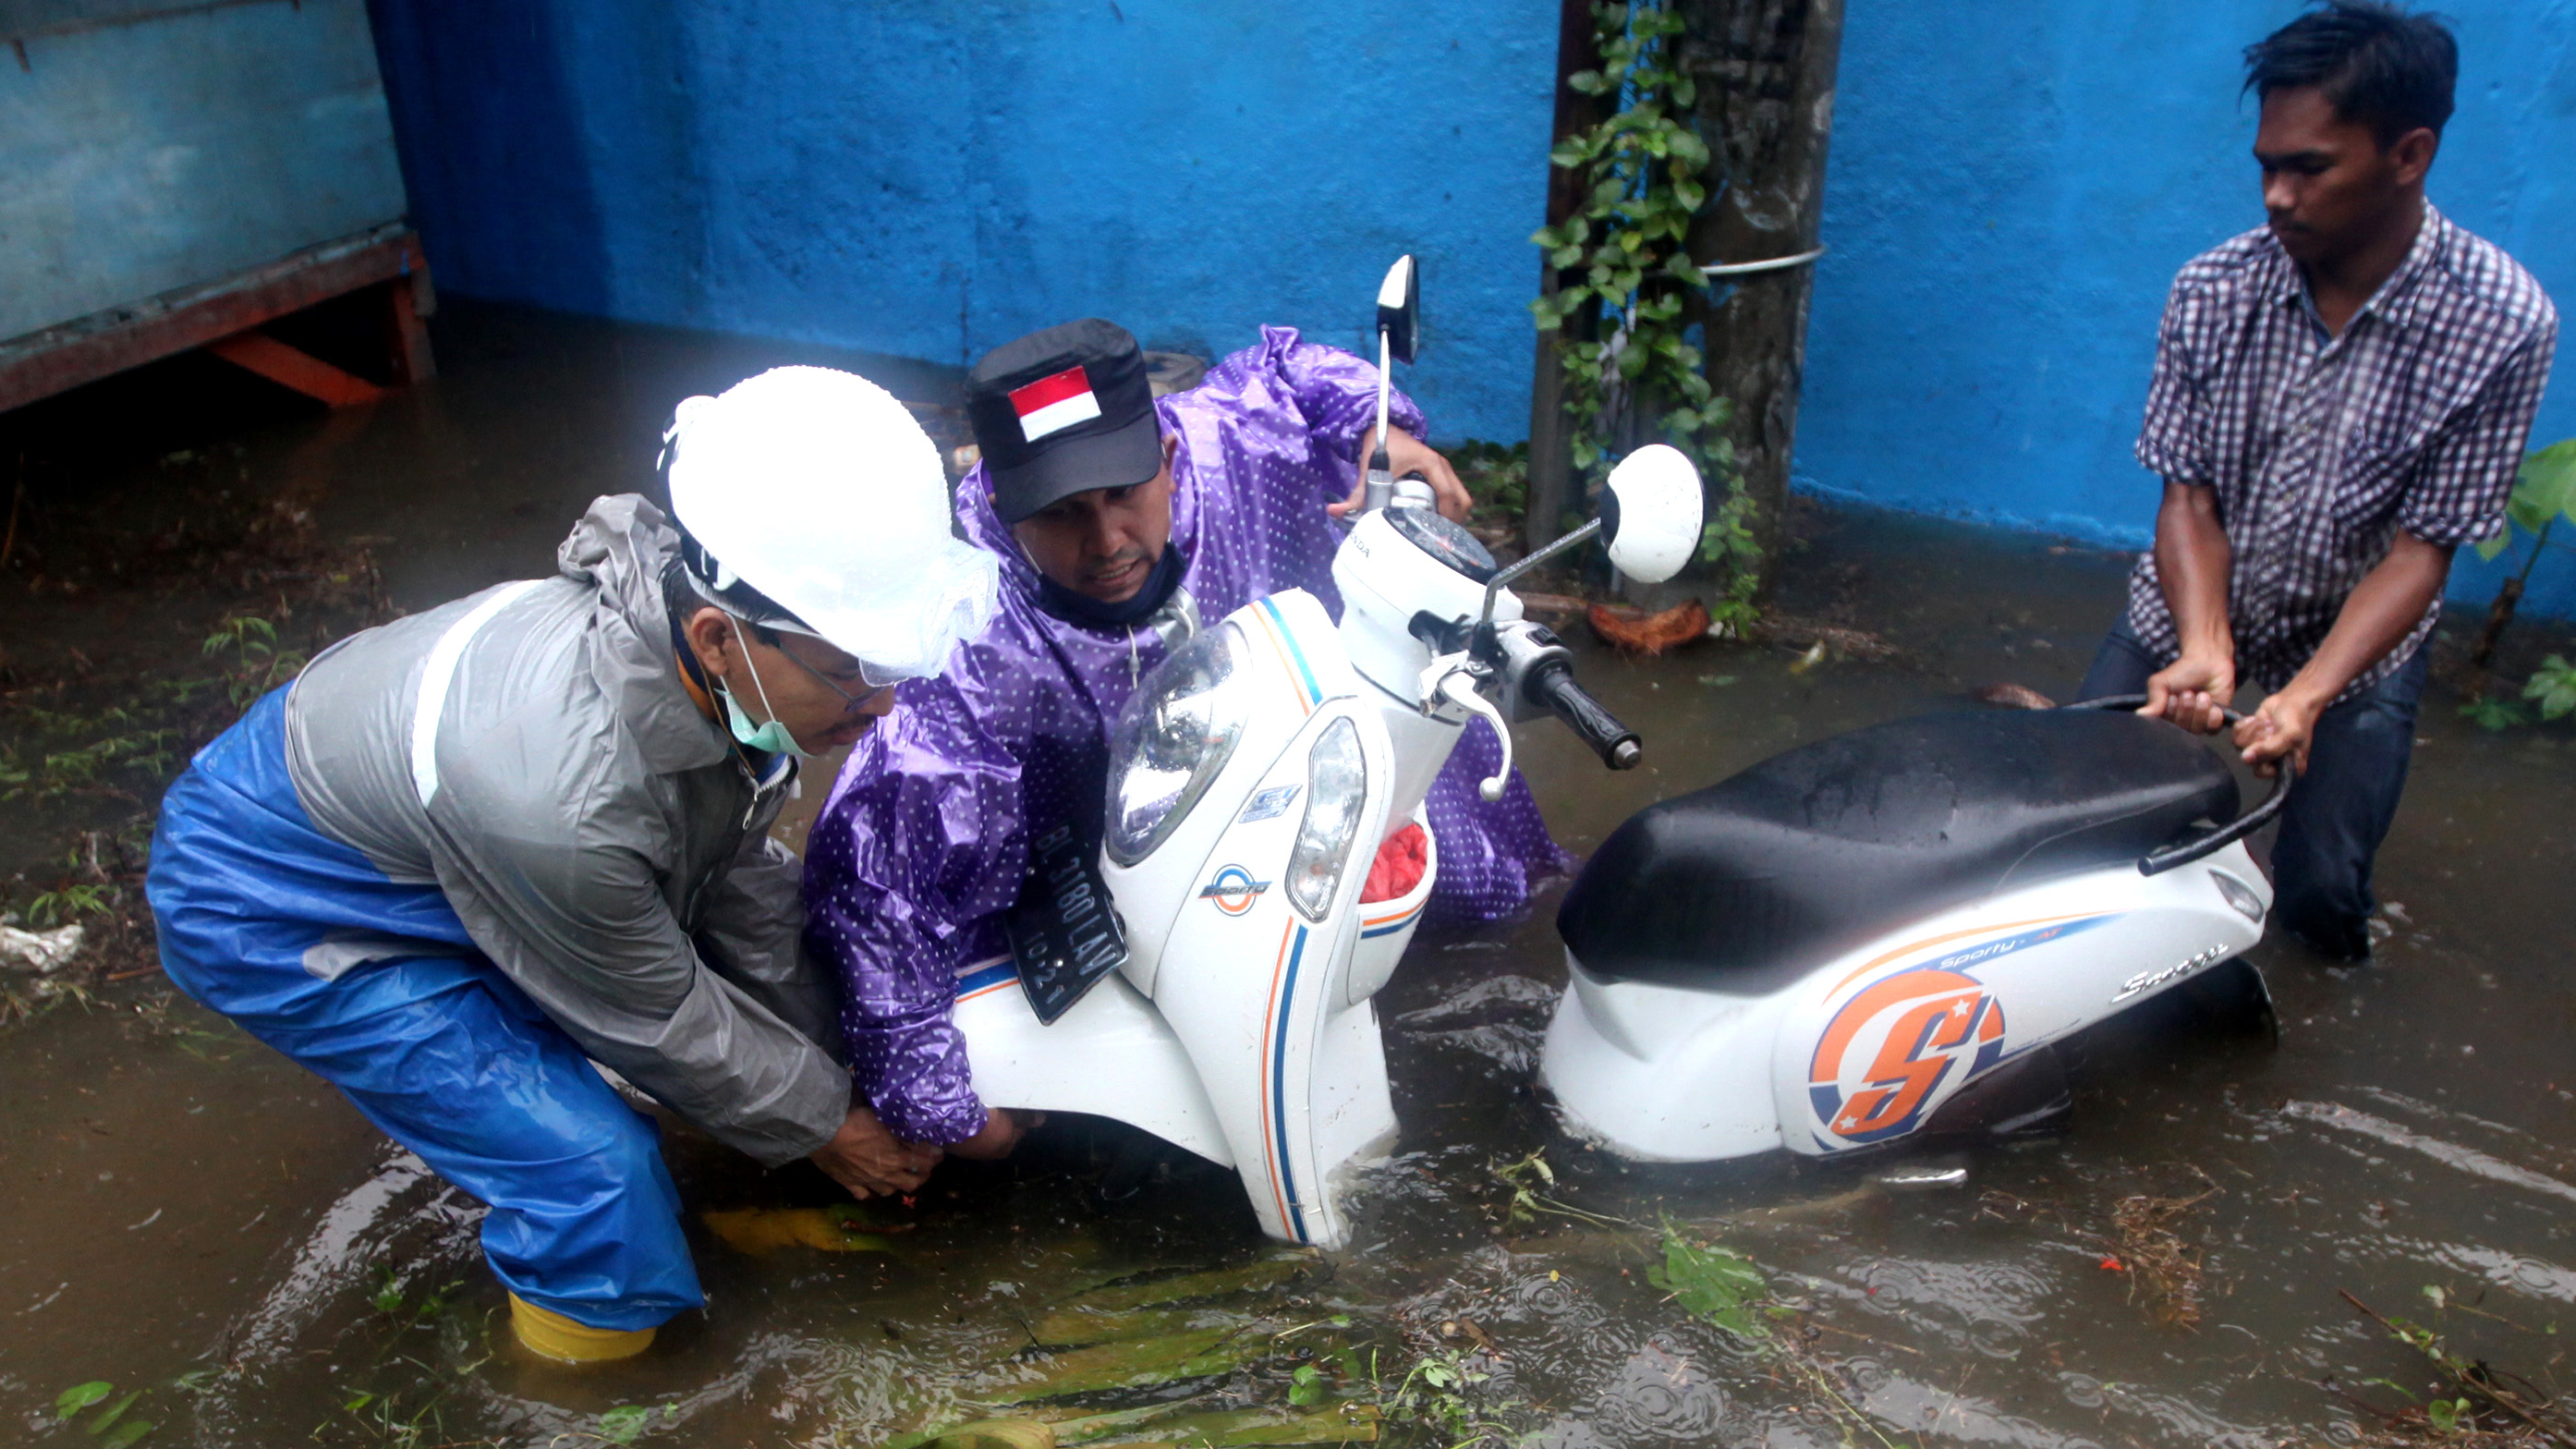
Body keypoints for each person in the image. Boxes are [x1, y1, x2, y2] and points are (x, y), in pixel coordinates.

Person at [145, 368, 999, 1364]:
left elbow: (738, 890)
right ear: (720, 639)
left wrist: (856, 1077)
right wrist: (826, 1126)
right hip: (275, 896)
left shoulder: (710, 660)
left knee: (745, 988)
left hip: (439, 820)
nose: (885, 703)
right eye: (856, 668)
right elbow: (657, 1015)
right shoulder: (569, 801)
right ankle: (581, 1418)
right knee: (589, 1170)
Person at [804, 318, 1570, 1159]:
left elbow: (1285, 367)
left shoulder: (1231, 445)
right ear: (1000, 507)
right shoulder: (961, 647)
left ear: (1170, 457)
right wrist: (945, 1111)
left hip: (1307, 788)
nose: (1106, 544)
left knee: (1487, 907)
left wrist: (1377, 429)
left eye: (1125, 494)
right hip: (1084, 887)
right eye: (1061, 515)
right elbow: (874, 889)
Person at [2075, 0, 2556, 961]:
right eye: (2266, 166)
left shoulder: (2504, 324)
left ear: (2408, 155)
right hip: (2191, 600)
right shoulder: (2212, 289)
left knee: (2321, 904)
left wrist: (2306, 697)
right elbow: (2187, 496)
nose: (2276, 197)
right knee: (2072, 830)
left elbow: (2423, 553)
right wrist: (2205, 642)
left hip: (2357, 640)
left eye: (2309, 169)